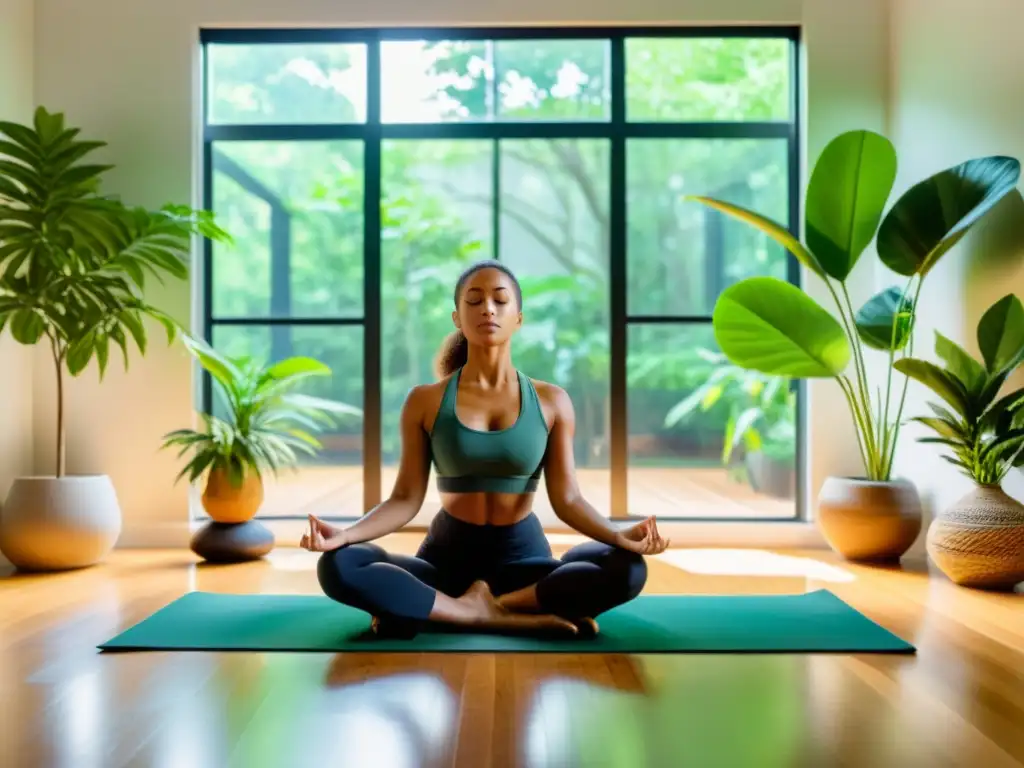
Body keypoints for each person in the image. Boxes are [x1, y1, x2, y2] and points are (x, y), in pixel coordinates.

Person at [300, 259, 670, 638]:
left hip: (523, 565)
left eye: (500, 300)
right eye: (474, 301)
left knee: (628, 568)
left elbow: (569, 500)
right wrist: (345, 535)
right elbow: (405, 499)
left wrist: (618, 535)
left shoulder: (552, 401)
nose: (488, 309)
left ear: (518, 318)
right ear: (457, 318)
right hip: (444, 567)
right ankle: (487, 615)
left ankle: (467, 608)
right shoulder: (425, 401)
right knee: (339, 565)